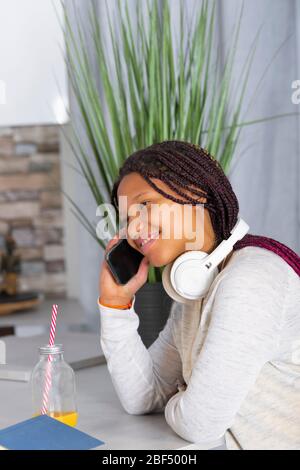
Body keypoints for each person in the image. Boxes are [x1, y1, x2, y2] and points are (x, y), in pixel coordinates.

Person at [97, 140, 300, 450]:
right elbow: (144, 395)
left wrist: (182, 398)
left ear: (195, 193)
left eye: (144, 205)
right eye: (127, 219)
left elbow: (200, 425)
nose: (134, 228)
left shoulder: (251, 279)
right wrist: (115, 304)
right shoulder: (199, 287)